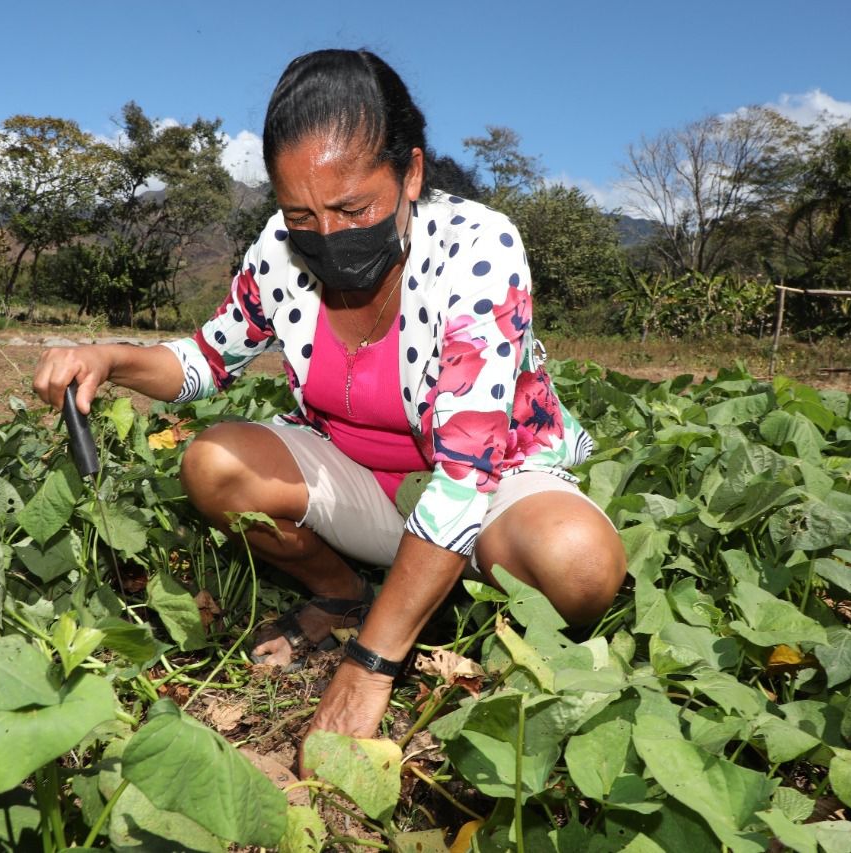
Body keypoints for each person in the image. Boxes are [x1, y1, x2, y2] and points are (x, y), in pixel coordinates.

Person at [32, 48, 626, 746]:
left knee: (580, 565)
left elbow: (466, 472)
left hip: (492, 483)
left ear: (410, 173)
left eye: (352, 208)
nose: (328, 237)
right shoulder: (280, 251)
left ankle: (420, 602)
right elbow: (203, 361)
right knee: (214, 464)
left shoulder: (476, 248)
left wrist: (371, 665)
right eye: (302, 215)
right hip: (357, 481)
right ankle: (345, 593)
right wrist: (107, 357)